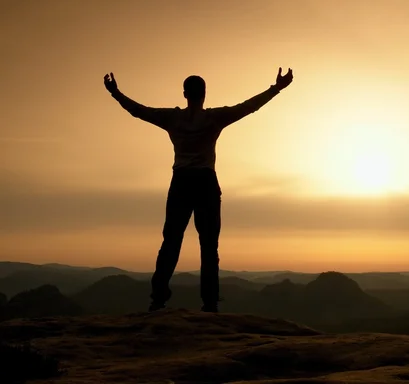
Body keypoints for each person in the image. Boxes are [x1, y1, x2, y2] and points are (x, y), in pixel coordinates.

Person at [103, 68, 294, 312]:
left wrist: (115, 93)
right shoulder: (214, 118)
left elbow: (138, 111)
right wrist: (276, 88)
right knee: (209, 245)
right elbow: (248, 106)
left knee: (171, 241)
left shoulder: (173, 119)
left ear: (184, 94)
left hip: (181, 182)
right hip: (205, 182)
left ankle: (158, 299)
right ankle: (210, 302)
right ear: (204, 94)